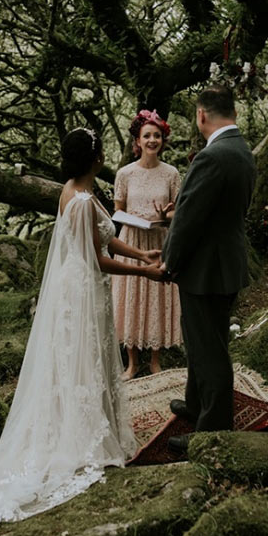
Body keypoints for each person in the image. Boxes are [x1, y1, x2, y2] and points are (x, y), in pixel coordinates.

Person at [0, 127, 165, 524]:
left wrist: (141, 253)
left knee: (84, 357)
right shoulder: (82, 199)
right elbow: (96, 259)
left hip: (80, 284)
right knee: (83, 357)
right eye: (100, 149)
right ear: (95, 159)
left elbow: (105, 239)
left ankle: (86, 423)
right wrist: (145, 274)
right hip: (84, 286)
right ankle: (82, 437)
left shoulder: (73, 190)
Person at [160, 86, 255, 452]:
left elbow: (189, 220)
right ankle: (197, 404)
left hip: (206, 268)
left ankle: (212, 431)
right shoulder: (242, 150)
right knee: (201, 339)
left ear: (201, 115)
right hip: (225, 262)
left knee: (210, 348)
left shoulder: (211, 156)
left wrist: (171, 259)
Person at [112, 109, 183, 379]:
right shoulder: (125, 174)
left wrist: (168, 214)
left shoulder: (171, 174)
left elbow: (177, 211)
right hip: (132, 239)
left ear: (162, 140)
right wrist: (136, 218)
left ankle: (155, 360)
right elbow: (117, 211)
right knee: (131, 296)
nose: (152, 140)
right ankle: (132, 362)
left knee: (157, 296)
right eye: (147, 136)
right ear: (138, 141)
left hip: (160, 238)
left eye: (157, 136)